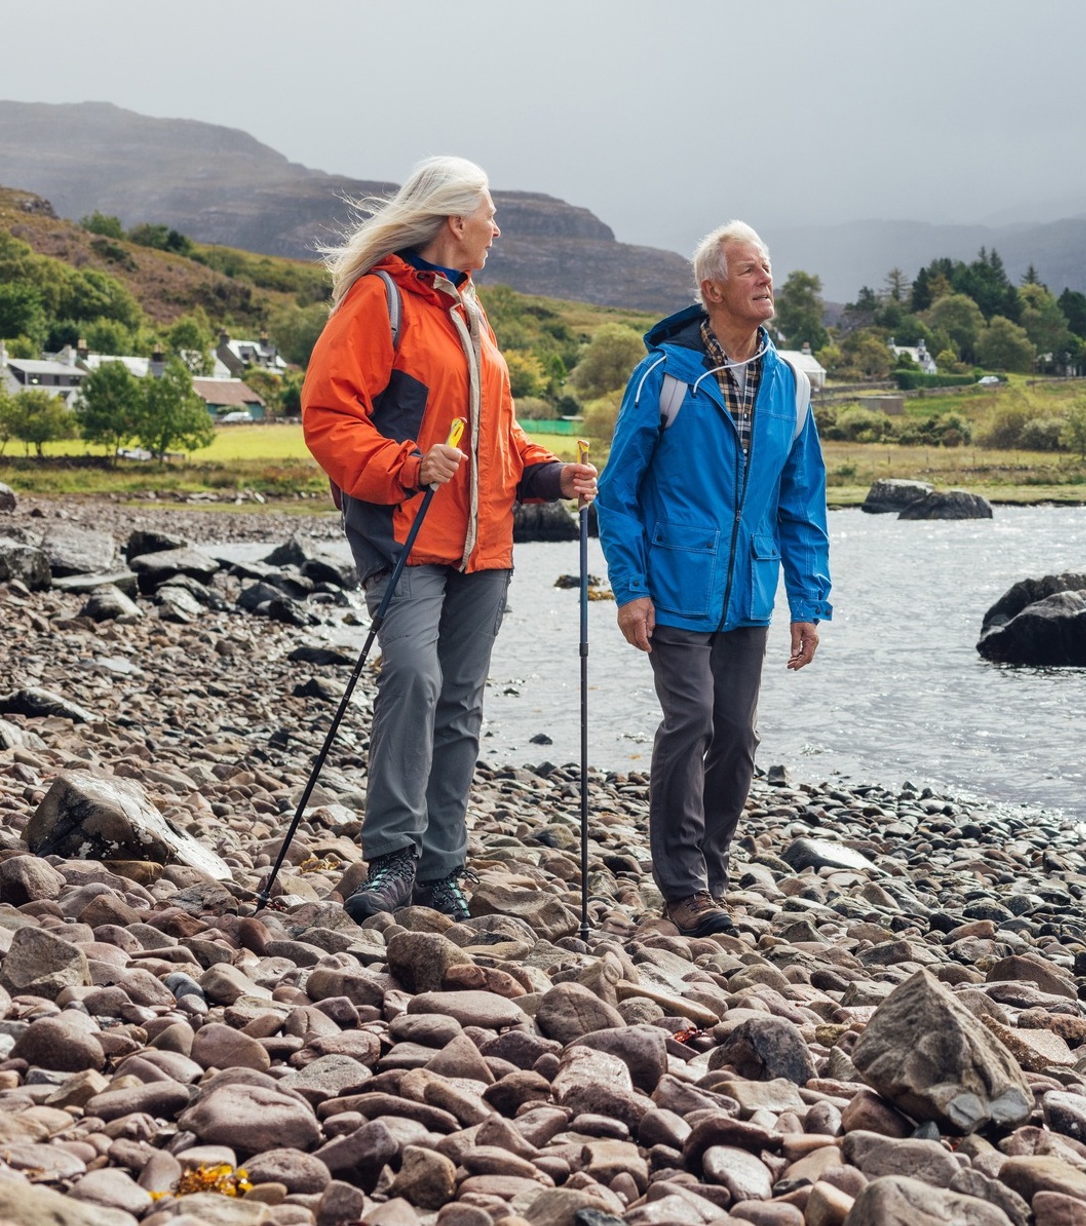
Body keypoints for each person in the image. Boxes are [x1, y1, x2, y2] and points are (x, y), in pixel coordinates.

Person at [303, 157, 597, 923]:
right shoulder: (380, 301)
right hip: (403, 535)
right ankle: (393, 857)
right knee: (414, 678)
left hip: (484, 546)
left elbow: (498, 435)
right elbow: (330, 418)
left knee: (460, 703)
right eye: (490, 215)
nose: (498, 229)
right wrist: (407, 464)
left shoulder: (470, 309)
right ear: (455, 221)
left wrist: (547, 476)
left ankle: (440, 869)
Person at [599, 220, 830, 936]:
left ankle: (711, 871)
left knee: (736, 734)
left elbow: (801, 501)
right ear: (712, 290)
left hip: (751, 590)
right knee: (690, 718)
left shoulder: (791, 382)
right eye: (749, 270)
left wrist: (808, 601)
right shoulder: (665, 376)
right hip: (673, 584)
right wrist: (630, 587)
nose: (766, 280)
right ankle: (682, 884)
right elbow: (619, 489)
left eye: (767, 267)